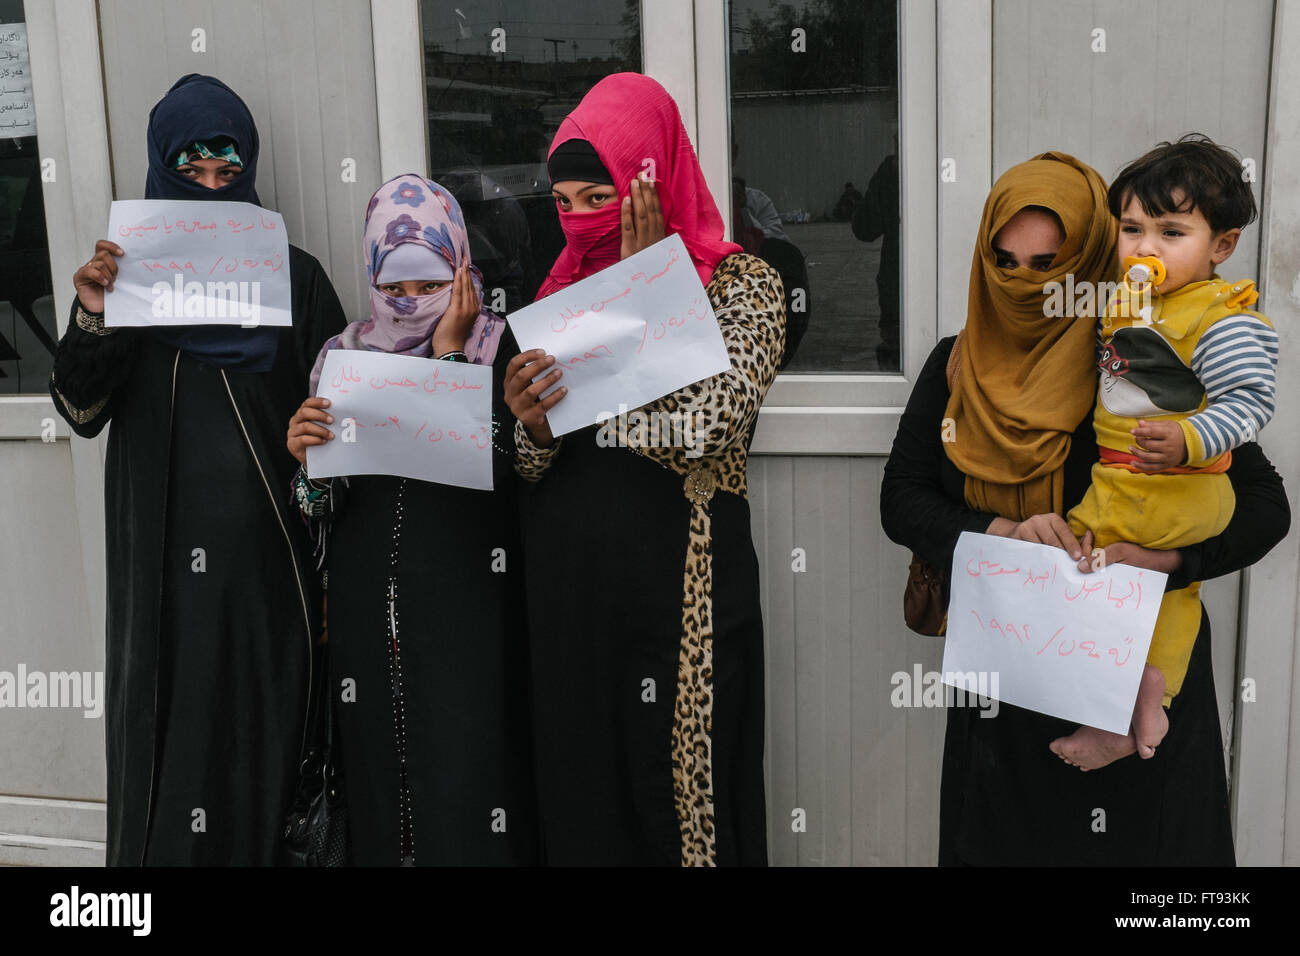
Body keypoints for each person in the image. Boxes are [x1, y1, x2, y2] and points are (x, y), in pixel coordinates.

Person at [880, 151, 1289, 865]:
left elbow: (1264, 506)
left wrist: (1164, 558)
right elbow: (902, 503)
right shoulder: (957, 365)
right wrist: (1003, 531)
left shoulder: (1133, 356)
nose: (1024, 282)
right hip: (1009, 692)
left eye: (1048, 265)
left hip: (1139, 686)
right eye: (1004, 261)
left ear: (1091, 255)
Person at [48, 74, 347, 865]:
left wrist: (326, 563)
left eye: (228, 171)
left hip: (266, 577)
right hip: (163, 585)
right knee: (173, 756)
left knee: (261, 749)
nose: (214, 190)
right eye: (192, 174)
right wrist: (93, 318)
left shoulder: (297, 279)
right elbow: (80, 413)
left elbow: (347, 426)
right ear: (160, 173)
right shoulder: (126, 287)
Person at [504, 73, 786, 866]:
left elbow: (706, 426)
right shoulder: (556, 293)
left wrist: (650, 293)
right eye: (565, 203)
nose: (583, 219)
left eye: (601, 196)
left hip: (682, 595)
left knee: (678, 803)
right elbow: (532, 465)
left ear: (648, 182)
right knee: (586, 798)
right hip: (574, 598)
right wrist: (530, 425)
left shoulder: (746, 287)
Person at [285, 174, 539, 865]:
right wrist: (307, 464)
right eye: (394, 287)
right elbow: (319, 512)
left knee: (468, 784)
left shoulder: (499, 348)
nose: (410, 302)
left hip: (471, 616)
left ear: (460, 269)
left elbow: (513, 474)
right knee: (380, 784)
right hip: (371, 625)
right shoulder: (340, 358)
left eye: (430, 285)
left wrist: (450, 360)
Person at [1056, 135, 1278, 770]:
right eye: (1131, 228)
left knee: (1087, 569)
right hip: (1131, 483)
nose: (1145, 247)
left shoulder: (1219, 319)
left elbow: (1251, 401)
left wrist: (1190, 436)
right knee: (1164, 594)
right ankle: (1150, 694)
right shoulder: (1134, 303)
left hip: (1171, 487)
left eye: (1171, 232)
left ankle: (1119, 712)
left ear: (1223, 246)